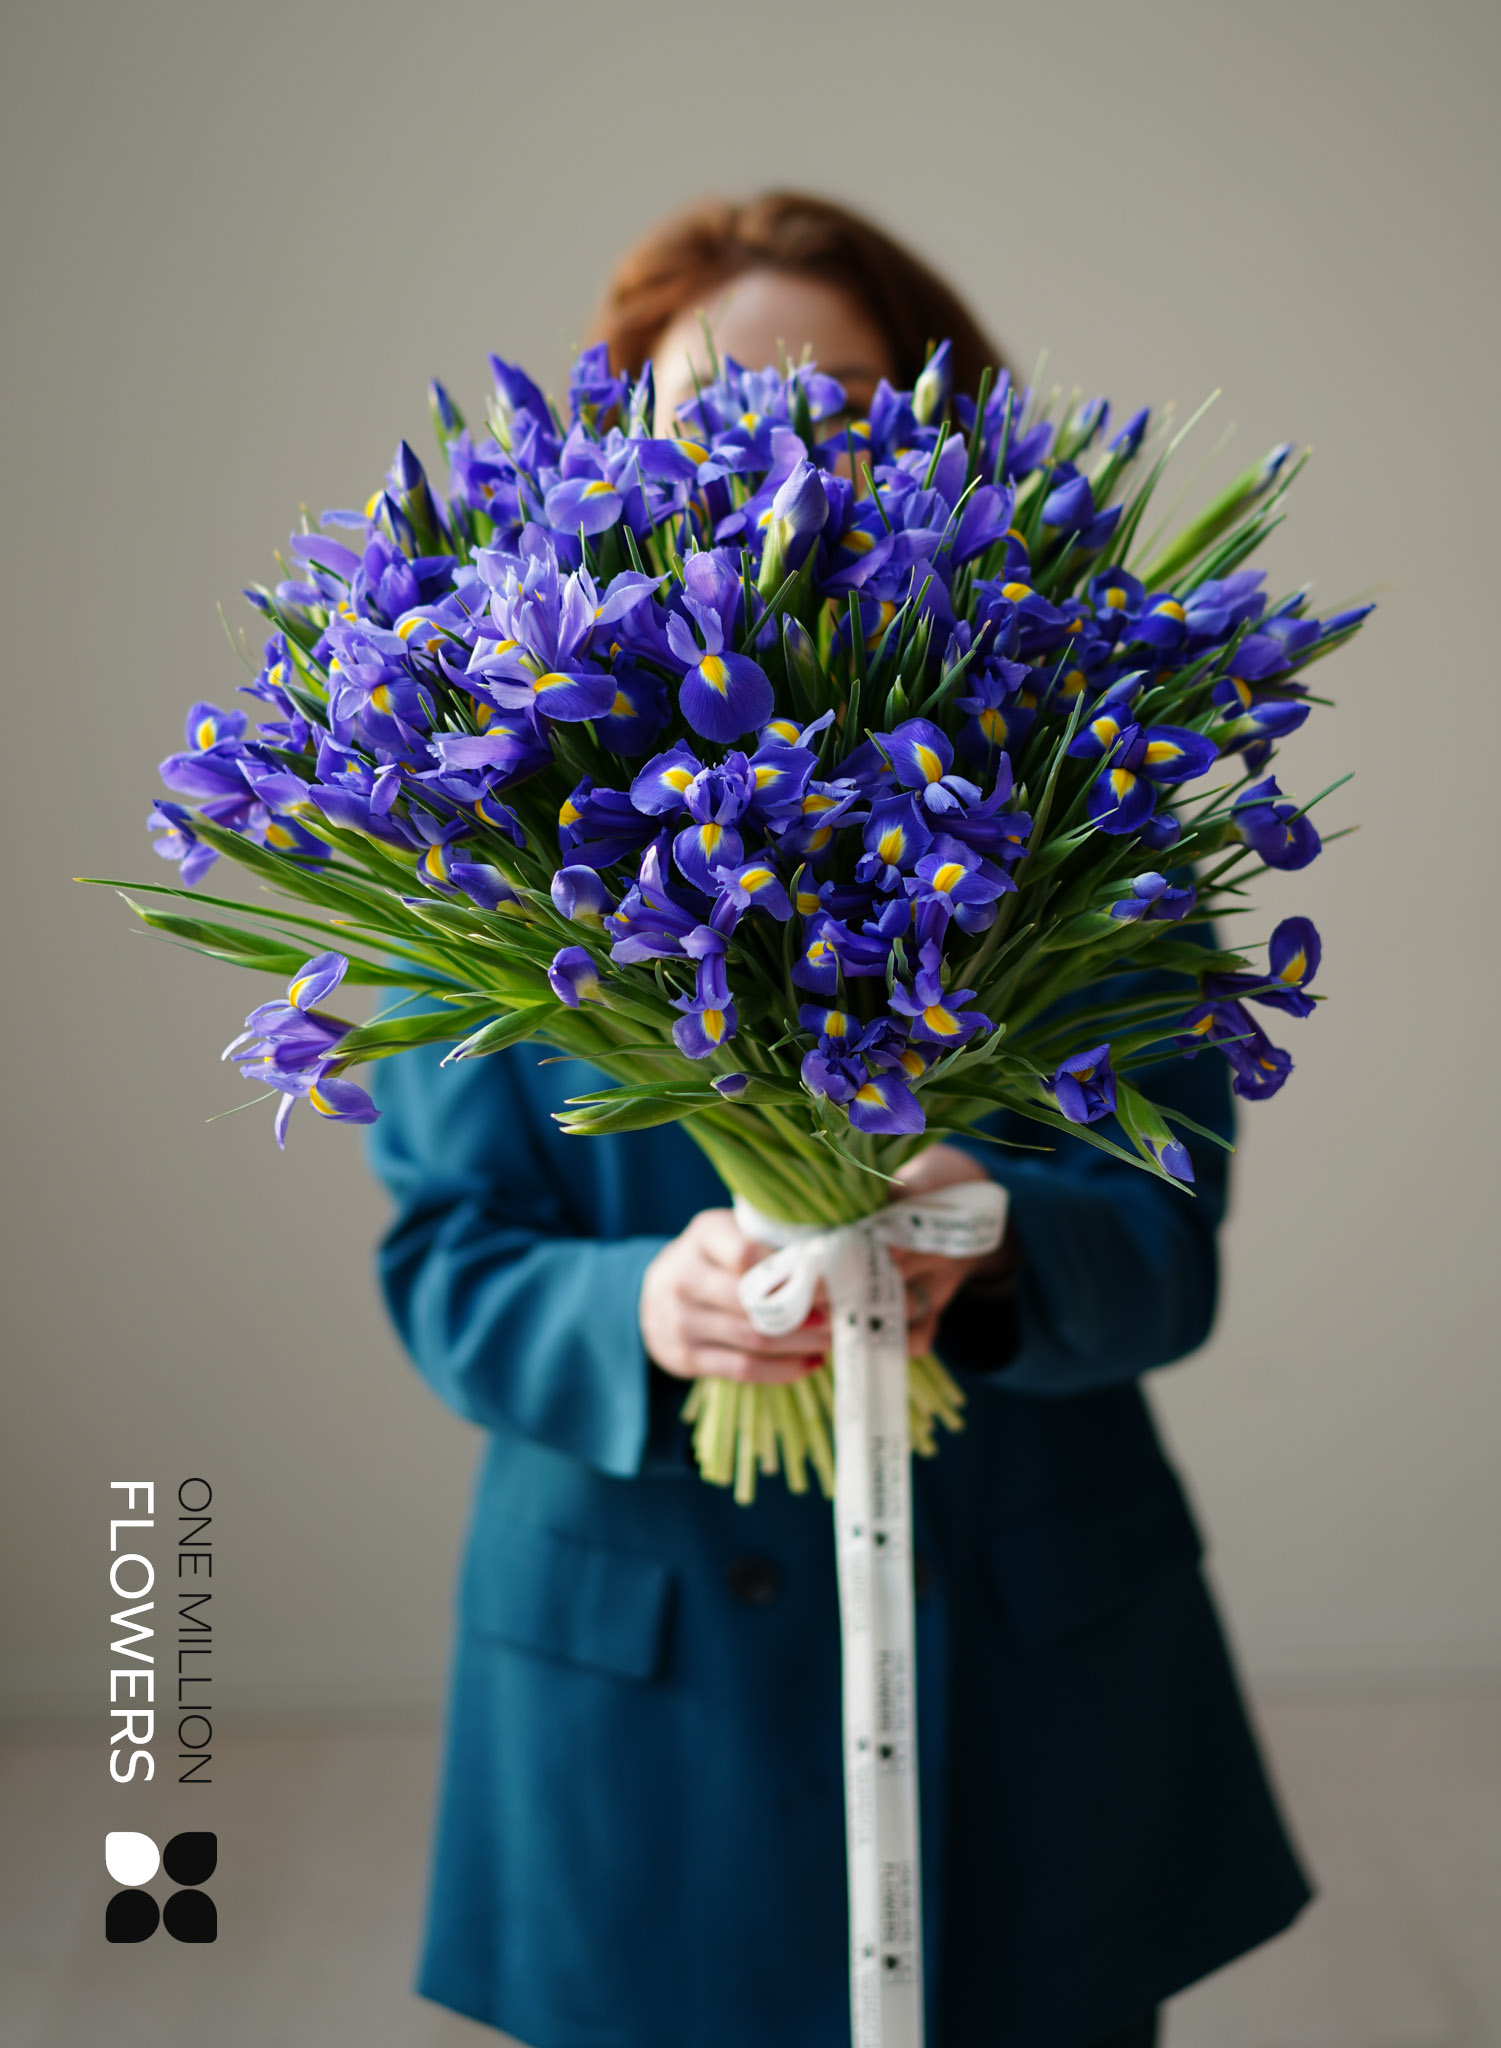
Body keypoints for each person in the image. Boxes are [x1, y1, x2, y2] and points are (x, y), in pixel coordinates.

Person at [366, 192, 1310, 2048]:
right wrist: (641, 1310)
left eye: (848, 404)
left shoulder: (1081, 773)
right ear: (603, 444)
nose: (785, 458)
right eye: (715, 406)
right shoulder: (477, 808)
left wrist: (997, 1234)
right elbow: (446, 1260)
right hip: (641, 1643)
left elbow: (1165, 1249)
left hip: (1017, 1615)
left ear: (943, 433)